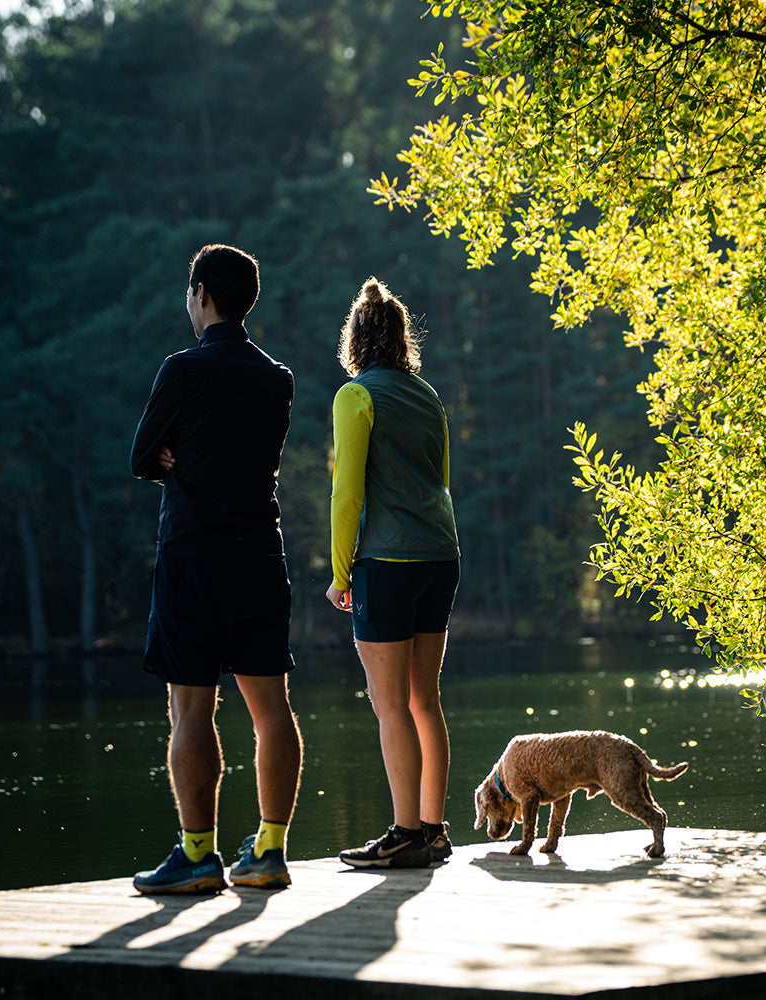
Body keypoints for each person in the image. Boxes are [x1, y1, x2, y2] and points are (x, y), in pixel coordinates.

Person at [130, 244, 302, 894]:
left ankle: (198, 856)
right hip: (260, 552)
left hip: (193, 554)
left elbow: (143, 456)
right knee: (272, 708)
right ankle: (270, 851)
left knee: (190, 706)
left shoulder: (181, 369)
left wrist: (180, 456)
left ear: (201, 293)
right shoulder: (277, 377)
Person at [326, 278, 460, 869]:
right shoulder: (427, 396)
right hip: (441, 555)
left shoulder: (356, 397)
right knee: (424, 701)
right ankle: (433, 830)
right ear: (403, 338)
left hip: (387, 561)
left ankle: (406, 833)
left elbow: (346, 493)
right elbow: (442, 479)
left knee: (390, 707)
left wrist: (337, 574)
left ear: (355, 339)